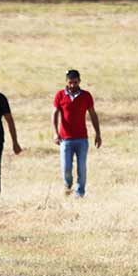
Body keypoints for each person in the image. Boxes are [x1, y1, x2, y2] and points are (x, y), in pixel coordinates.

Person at [52, 69, 101, 197]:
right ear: (66, 82)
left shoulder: (86, 96)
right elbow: (55, 114)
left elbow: (93, 115)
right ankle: (68, 186)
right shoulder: (60, 95)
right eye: (70, 83)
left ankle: (79, 193)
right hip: (65, 138)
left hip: (81, 139)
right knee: (66, 168)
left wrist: (98, 133)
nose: (73, 85)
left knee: (82, 168)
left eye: (75, 82)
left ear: (79, 81)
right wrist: (55, 133)